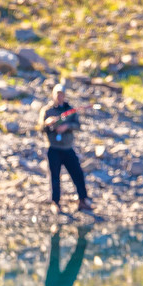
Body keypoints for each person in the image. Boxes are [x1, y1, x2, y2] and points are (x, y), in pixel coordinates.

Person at [42, 83, 94, 215]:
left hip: (67, 148)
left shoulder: (70, 110)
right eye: (57, 94)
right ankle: (55, 202)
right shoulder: (48, 111)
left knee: (78, 173)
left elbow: (77, 125)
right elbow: (41, 128)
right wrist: (48, 123)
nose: (59, 97)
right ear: (53, 95)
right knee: (55, 176)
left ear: (64, 96)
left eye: (62, 94)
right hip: (53, 149)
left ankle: (83, 200)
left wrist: (67, 126)